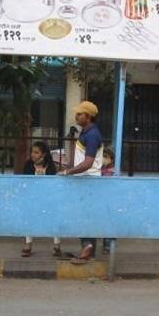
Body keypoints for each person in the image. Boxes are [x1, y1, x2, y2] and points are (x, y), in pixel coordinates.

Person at [59, 100, 104, 265]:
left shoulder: (92, 135)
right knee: (82, 214)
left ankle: (88, 247)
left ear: (89, 116)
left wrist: (67, 172)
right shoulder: (85, 132)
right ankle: (87, 248)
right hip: (83, 179)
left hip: (89, 180)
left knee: (85, 215)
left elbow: (88, 163)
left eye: (80, 114)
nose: (76, 116)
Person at [21, 141, 62, 258]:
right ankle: (28, 245)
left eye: (36, 152)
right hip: (32, 198)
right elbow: (25, 183)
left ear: (43, 154)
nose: (33, 155)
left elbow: (53, 184)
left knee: (55, 218)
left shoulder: (50, 165)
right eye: (32, 152)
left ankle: (57, 245)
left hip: (48, 198)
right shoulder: (28, 165)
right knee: (29, 218)